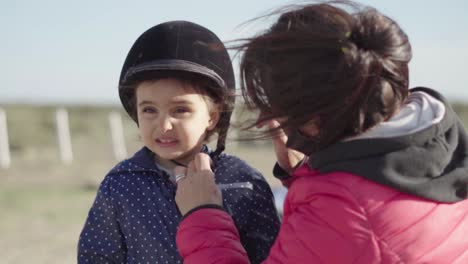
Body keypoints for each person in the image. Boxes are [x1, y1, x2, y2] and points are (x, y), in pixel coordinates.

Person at [173, 2, 468, 263]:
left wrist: (203, 213)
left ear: (313, 120)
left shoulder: (344, 214)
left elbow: (353, 226)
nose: (266, 118)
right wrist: (310, 171)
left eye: (276, 106)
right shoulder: (442, 141)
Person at [78, 21, 280, 263]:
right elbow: (97, 257)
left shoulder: (244, 182)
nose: (164, 125)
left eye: (181, 110)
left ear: (212, 117)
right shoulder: (120, 185)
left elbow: (269, 256)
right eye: (150, 110)